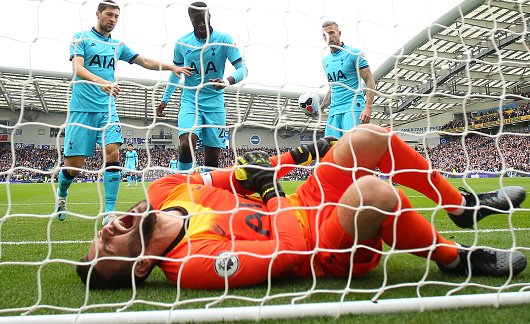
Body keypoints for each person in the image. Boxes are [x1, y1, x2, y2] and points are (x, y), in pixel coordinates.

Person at [76, 124, 526, 289]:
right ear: (139, 269)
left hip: (299, 200)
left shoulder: (164, 190)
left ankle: (461, 207)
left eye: (97, 238)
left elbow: (241, 174)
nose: (105, 233)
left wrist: (299, 157)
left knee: (367, 138)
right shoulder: (192, 264)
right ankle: (454, 258)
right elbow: (289, 251)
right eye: (106, 251)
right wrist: (273, 195)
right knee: (376, 193)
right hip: (320, 247)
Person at [55, 0, 192, 225]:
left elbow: (143, 61)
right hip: (81, 109)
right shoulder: (81, 38)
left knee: (113, 154)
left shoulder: (117, 46)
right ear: (98, 14)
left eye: (117, 16)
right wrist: (101, 82)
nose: (113, 20)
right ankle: (62, 196)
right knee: (73, 167)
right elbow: (77, 68)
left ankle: (109, 212)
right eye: (109, 14)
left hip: (107, 108)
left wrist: (171, 67)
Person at [156, 2, 248, 172]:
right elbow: (175, 73)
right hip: (190, 101)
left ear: (209, 17)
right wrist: (165, 100)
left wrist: (226, 81)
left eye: (203, 19)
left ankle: (207, 193)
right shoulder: (183, 44)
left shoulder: (224, 40)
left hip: (215, 104)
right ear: (190, 20)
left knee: (212, 157)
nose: (200, 24)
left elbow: (243, 69)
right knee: (186, 144)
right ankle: (184, 185)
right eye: (196, 20)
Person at [318, 21, 376, 138]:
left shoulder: (353, 53)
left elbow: (369, 80)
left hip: (353, 107)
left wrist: (368, 107)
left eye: (331, 33)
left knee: (351, 147)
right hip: (334, 111)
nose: (329, 37)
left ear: (339, 33)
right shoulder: (326, 61)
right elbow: (332, 88)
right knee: (331, 149)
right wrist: (320, 108)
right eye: (325, 34)